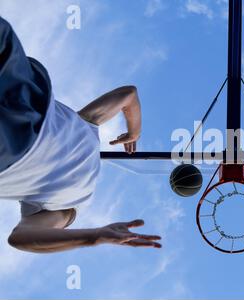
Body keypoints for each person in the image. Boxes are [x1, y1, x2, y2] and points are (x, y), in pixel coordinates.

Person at [0, 17, 161, 253]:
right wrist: (94, 236)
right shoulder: (69, 208)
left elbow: (129, 95)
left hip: (25, 109)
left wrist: (134, 132)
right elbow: (22, 238)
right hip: (22, 130)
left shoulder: (69, 205)